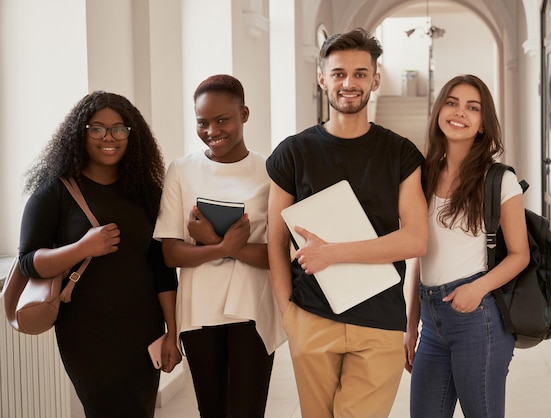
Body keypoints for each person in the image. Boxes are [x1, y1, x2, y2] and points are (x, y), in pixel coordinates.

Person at [266, 28, 429, 418]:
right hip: (312, 316)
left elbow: (416, 240)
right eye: (338, 73)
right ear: (322, 78)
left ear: (375, 79)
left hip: (380, 321)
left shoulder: (400, 153)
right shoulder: (293, 153)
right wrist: (289, 313)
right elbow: (274, 239)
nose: (349, 83)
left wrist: (333, 253)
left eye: (360, 74)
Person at [18, 91, 181, 417]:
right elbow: (27, 263)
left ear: (131, 136)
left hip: (142, 327)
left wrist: (172, 333)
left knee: (139, 410)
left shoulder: (147, 192)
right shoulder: (55, 191)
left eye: (119, 129)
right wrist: (82, 248)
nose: (109, 137)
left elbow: (162, 268)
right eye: (98, 128)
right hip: (84, 330)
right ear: (81, 132)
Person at [153, 74, 285, 418]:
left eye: (222, 119)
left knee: (247, 409)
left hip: (253, 308)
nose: (212, 130)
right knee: (211, 409)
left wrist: (217, 243)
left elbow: (277, 255)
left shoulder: (270, 172)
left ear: (244, 113)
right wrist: (221, 245)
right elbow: (170, 252)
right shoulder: (181, 171)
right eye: (202, 122)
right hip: (199, 310)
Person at [403, 74, 530, 418]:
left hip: (479, 318)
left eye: (472, 108)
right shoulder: (422, 175)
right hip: (430, 321)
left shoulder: (498, 179)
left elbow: (520, 255)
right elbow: (419, 252)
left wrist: (477, 289)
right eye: (452, 102)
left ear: (483, 124)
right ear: (439, 110)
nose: (460, 112)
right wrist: (411, 323)